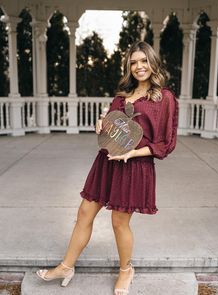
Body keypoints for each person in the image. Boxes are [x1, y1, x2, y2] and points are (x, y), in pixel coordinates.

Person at [36, 41, 179, 295]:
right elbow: (111, 126)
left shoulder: (164, 98)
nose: (139, 67)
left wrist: (134, 153)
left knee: (118, 222)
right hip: (106, 163)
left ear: (152, 62)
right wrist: (101, 122)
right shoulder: (122, 95)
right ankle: (66, 266)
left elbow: (165, 144)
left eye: (143, 61)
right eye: (133, 62)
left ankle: (126, 271)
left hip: (134, 165)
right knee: (84, 213)